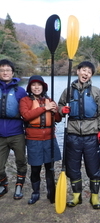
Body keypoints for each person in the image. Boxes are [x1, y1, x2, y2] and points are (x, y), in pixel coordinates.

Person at [58, 61, 100, 210]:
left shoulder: (96, 91)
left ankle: (95, 196)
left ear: (91, 75)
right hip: (72, 134)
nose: (86, 74)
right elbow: (59, 105)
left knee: (93, 168)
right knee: (73, 167)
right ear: (78, 71)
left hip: (91, 134)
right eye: (83, 70)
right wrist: (62, 110)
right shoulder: (68, 91)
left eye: (89, 72)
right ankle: (76, 195)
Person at [19, 75, 61, 204]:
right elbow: (26, 116)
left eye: (39, 85)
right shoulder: (25, 100)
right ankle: (35, 192)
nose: (36, 87)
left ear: (43, 87)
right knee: (36, 168)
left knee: (50, 167)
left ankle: (51, 192)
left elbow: (58, 119)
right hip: (34, 139)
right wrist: (45, 108)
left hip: (49, 138)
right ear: (30, 87)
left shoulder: (49, 99)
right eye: (33, 85)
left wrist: (56, 110)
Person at [0, 59, 27, 200]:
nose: (5, 72)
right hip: (0, 134)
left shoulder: (20, 91)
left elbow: (28, 111)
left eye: (7, 70)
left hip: (17, 133)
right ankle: (3, 184)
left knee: (21, 161)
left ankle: (19, 184)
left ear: (12, 72)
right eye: (2, 70)